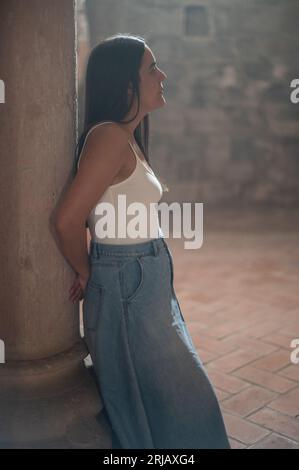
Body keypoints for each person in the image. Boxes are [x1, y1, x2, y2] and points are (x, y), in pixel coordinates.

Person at [53, 33, 231, 449]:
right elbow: (66, 220)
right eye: (152, 68)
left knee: (166, 400)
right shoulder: (108, 137)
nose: (162, 75)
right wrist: (86, 268)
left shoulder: (123, 136)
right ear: (125, 84)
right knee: (182, 400)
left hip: (143, 277)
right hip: (127, 281)